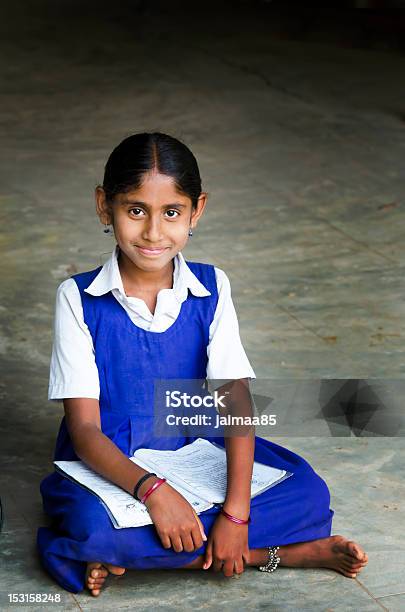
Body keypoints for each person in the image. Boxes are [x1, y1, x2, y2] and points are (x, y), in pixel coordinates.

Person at [37, 132, 368, 596]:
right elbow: (85, 432)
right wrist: (154, 493)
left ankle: (156, 557)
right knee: (93, 524)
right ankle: (278, 555)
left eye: (171, 212)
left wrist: (235, 514)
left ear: (197, 211)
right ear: (103, 206)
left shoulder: (212, 288)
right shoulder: (77, 298)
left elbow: (236, 404)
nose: (153, 232)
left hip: (197, 447)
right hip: (115, 462)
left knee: (307, 493)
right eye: (136, 210)